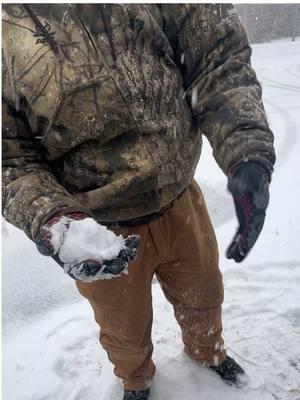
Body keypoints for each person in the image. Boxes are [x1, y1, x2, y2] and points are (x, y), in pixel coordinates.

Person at [2, 4, 275, 400]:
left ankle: (208, 352)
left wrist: (246, 150)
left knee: (204, 295)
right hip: (98, 228)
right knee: (123, 328)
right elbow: (8, 158)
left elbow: (216, 55)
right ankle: (136, 379)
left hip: (180, 200)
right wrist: (53, 220)